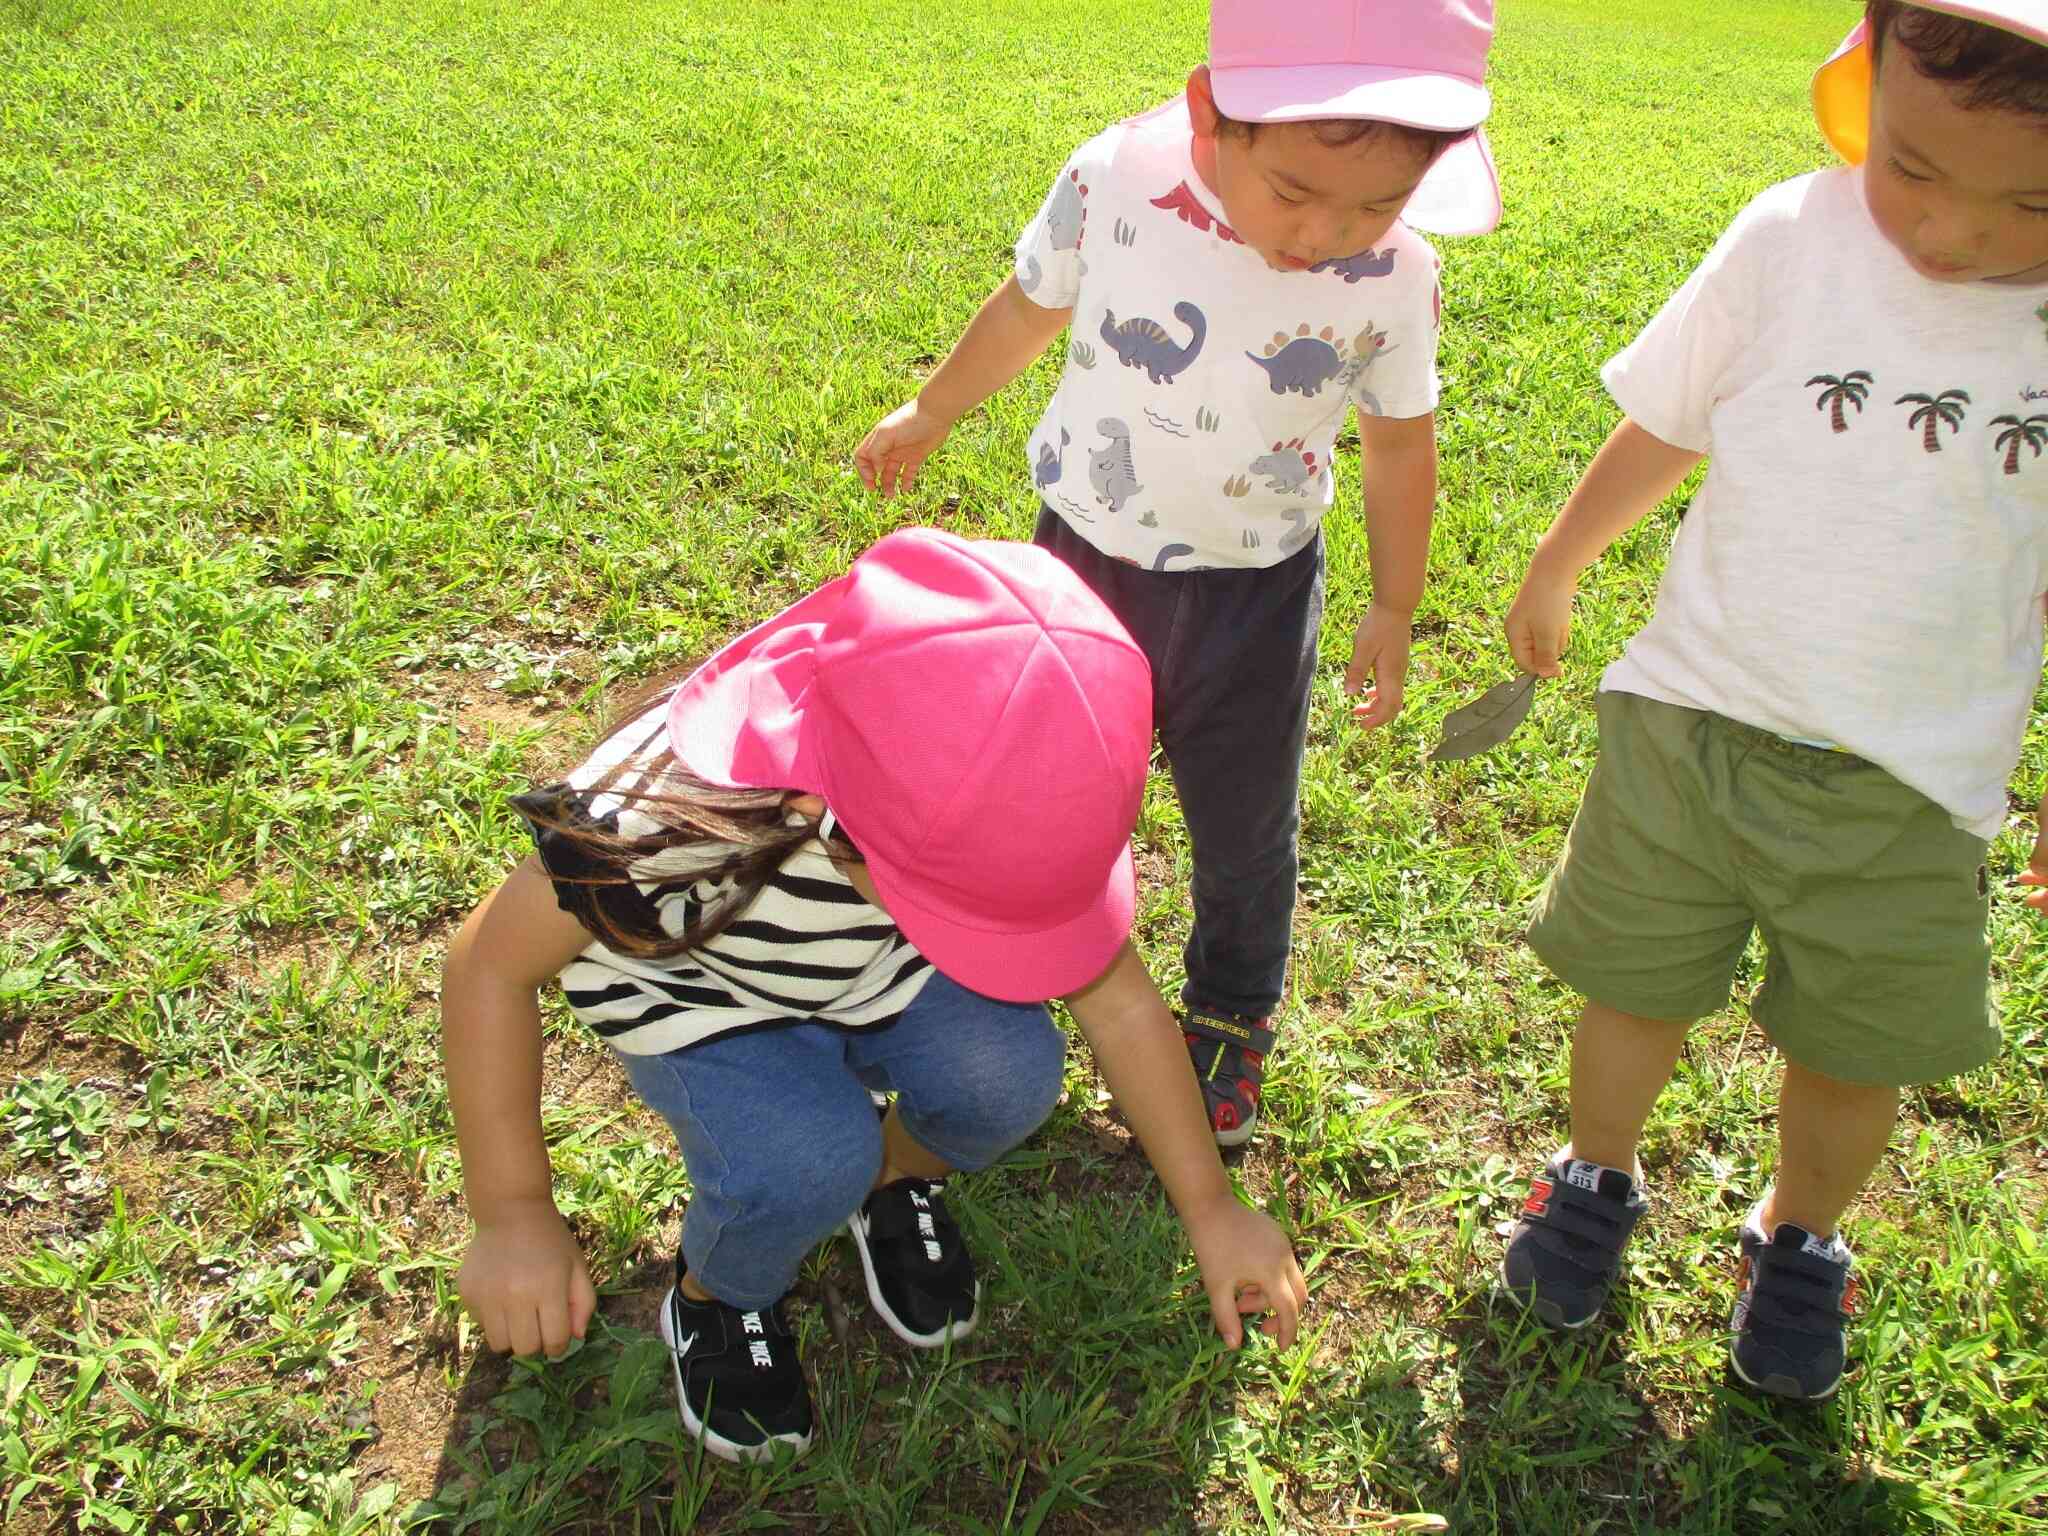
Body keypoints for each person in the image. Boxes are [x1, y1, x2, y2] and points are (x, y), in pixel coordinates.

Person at [439, 528, 1308, 1464]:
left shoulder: (1015, 771)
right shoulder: (655, 814)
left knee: (1011, 1077)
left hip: (872, 967)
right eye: (978, 912)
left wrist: (1213, 1210)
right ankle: (719, 1297)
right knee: (806, 1158)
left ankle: (893, 1185)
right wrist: (514, 1212)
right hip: (703, 1001)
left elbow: (1123, 1004)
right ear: (829, 817)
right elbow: (485, 966)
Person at [1498, 0, 2048, 1402]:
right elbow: (1670, 419)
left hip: (1913, 786)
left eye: (2030, 200)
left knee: (1856, 1050)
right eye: (1914, 168)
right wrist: (1561, 563)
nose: (1954, 233)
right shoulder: (1791, 236)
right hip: (1692, 717)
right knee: (1631, 985)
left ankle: (1800, 1238)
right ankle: (1597, 1175)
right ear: (1863, 85)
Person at [856, 0, 1502, 1146]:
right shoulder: (1116, 177)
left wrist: (1393, 602)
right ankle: (1001, 959)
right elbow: (1029, 304)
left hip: (1255, 591)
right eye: (1294, 192)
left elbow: (1401, 437)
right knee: (1043, 787)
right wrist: (932, 407)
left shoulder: (1394, 275)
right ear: (1212, 117)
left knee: (1245, 825)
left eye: (1375, 203)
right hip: (1078, 568)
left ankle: (1230, 1007)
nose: (1321, 235)